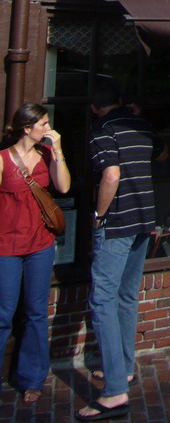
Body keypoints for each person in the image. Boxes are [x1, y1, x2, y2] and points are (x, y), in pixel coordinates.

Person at [76, 84, 161, 422]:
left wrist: (99, 215)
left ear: (96, 108)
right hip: (145, 218)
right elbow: (158, 154)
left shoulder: (103, 129)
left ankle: (114, 390)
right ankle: (123, 368)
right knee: (126, 295)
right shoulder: (141, 125)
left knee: (102, 300)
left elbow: (111, 174)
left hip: (118, 222)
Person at [0, 104, 70, 404]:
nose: (48, 127)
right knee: (3, 314)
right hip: (6, 246)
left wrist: (57, 150)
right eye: (43, 123)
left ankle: (32, 377)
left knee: (36, 312)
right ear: (27, 128)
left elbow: (63, 187)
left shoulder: (45, 155)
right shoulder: (3, 159)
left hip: (39, 244)